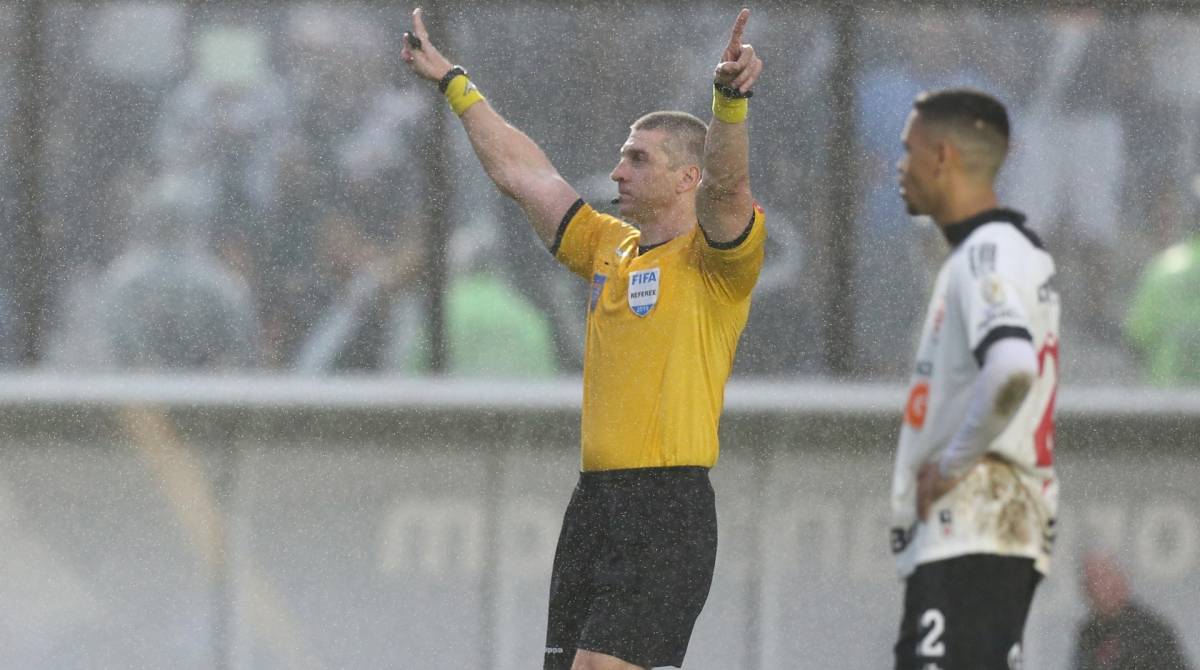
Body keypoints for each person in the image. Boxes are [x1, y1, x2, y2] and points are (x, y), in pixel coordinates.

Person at [400, 7, 764, 669]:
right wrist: (455, 82)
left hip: (666, 504)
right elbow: (522, 174)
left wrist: (729, 105)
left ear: (688, 177)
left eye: (637, 158)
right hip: (594, 502)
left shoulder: (716, 262)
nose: (618, 171)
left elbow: (731, 185)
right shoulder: (607, 246)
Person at [888, 89, 1061, 670]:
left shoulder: (989, 253)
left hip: (975, 527)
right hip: (982, 535)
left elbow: (1012, 365)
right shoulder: (992, 252)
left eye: (908, 149)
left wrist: (952, 464)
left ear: (942, 156)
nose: (899, 164)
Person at [1071, 550, 1194, 670]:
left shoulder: (1150, 630)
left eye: (1104, 578)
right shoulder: (1089, 633)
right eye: (1091, 580)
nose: (1097, 588)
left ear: (1122, 581)